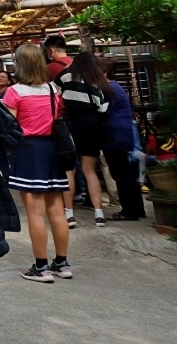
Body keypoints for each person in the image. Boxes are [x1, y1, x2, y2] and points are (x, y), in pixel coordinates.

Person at [1, 44, 72, 283]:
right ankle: (62, 263)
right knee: (57, 210)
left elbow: (9, 125)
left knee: (35, 212)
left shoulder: (14, 92)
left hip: (28, 150)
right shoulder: (53, 89)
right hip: (52, 149)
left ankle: (41, 268)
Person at [57, 51, 110, 228]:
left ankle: (70, 215)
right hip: (92, 126)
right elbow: (103, 109)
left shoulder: (66, 75)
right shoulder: (99, 80)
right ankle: (99, 215)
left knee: (69, 171)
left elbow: (55, 92)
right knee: (90, 171)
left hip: (70, 124)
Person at [98, 58, 147, 221]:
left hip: (114, 135)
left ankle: (129, 210)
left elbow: (101, 111)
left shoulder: (109, 89)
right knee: (124, 173)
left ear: (104, 72)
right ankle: (137, 208)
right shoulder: (115, 87)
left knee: (121, 174)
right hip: (120, 134)